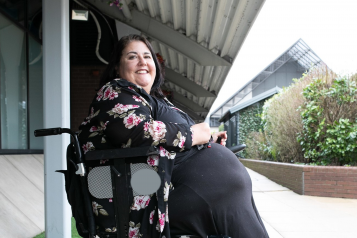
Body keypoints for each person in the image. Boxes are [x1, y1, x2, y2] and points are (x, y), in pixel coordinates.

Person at [78, 34, 269, 238]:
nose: (142, 61)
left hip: (215, 192)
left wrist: (210, 141)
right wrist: (193, 134)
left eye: (147, 56)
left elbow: (164, 138)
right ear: (117, 67)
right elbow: (135, 131)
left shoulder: (149, 99)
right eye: (132, 56)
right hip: (157, 203)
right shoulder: (114, 91)